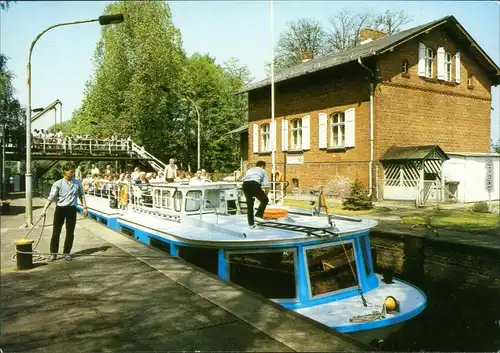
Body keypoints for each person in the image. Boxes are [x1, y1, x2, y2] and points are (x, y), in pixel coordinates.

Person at [40, 163, 88, 261]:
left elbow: (81, 195)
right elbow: (51, 198)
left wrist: (85, 207)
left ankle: (67, 252)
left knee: (70, 232)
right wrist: (44, 210)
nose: (73, 174)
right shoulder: (57, 184)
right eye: (71, 172)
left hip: (71, 209)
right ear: (65, 172)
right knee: (56, 232)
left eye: (73, 172)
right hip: (60, 210)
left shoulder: (77, 183)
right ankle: (53, 254)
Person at [242, 160, 270, 229]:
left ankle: (251, 224)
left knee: (250, 204)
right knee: (265, 200)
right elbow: (266, 185)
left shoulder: (250, 170)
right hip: (254, 184)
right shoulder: (263, 171)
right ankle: (258, 215)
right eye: (264, 167)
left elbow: (244, 178)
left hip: (245, 185)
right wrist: (265, 196)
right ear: (262, 166)